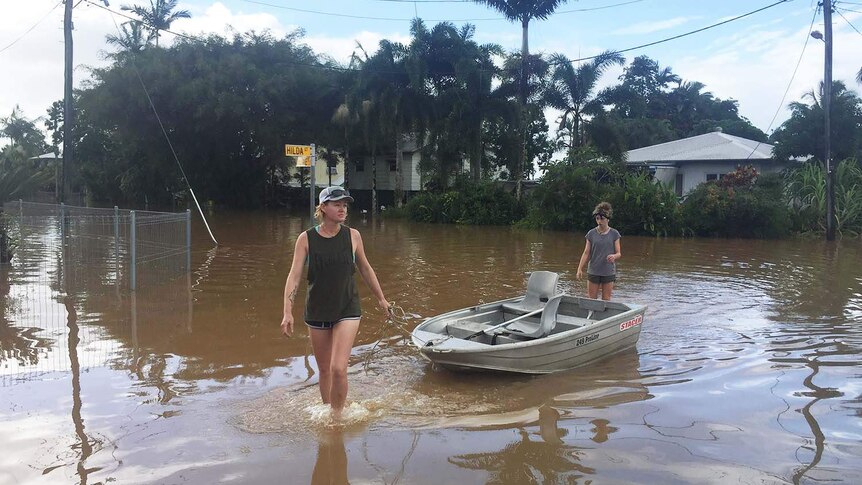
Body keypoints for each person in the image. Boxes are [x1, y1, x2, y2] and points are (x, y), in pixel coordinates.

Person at [280, 186, 390, 421]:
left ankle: (337, 418)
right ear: (323, 208)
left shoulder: (353, 236)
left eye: (344, 204)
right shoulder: (306, 239)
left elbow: (366, 269)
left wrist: (381, 299)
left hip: (347, 308)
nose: (342, 208)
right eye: (336, 204)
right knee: (325, 371)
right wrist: (287, 312)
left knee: (339, 368)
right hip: (317, 310)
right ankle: (329, 412)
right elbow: (294, 276)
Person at [576, 202, 621, 301]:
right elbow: (586, 253)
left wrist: (614, 256)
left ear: (607, 219)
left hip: (608, 271)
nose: (599, 221)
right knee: (592, 300)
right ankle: (591, 316)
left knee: (606, 299)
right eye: (597, 219)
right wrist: (579, 268)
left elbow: (619, 253)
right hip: (593, 270)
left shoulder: (614, 234)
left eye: (602, 219)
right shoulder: (591, 234)